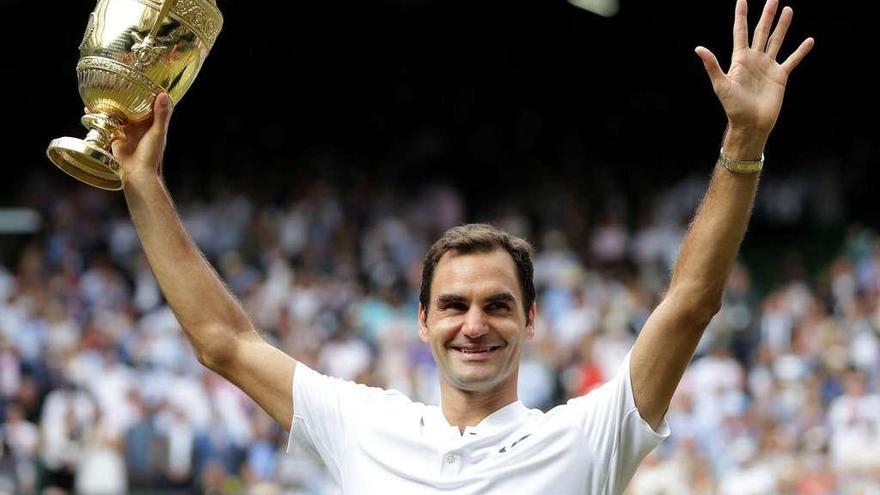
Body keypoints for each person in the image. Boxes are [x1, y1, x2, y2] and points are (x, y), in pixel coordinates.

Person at [102, 0, 813, 492]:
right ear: (422, 320)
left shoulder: (586, 436)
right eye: (454, 304)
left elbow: (690, 302)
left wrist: (743, 143)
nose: (474, 323)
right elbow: (221, 339)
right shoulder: (362, 424)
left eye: (498, 305)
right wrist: (144, 184)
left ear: (531, 320)